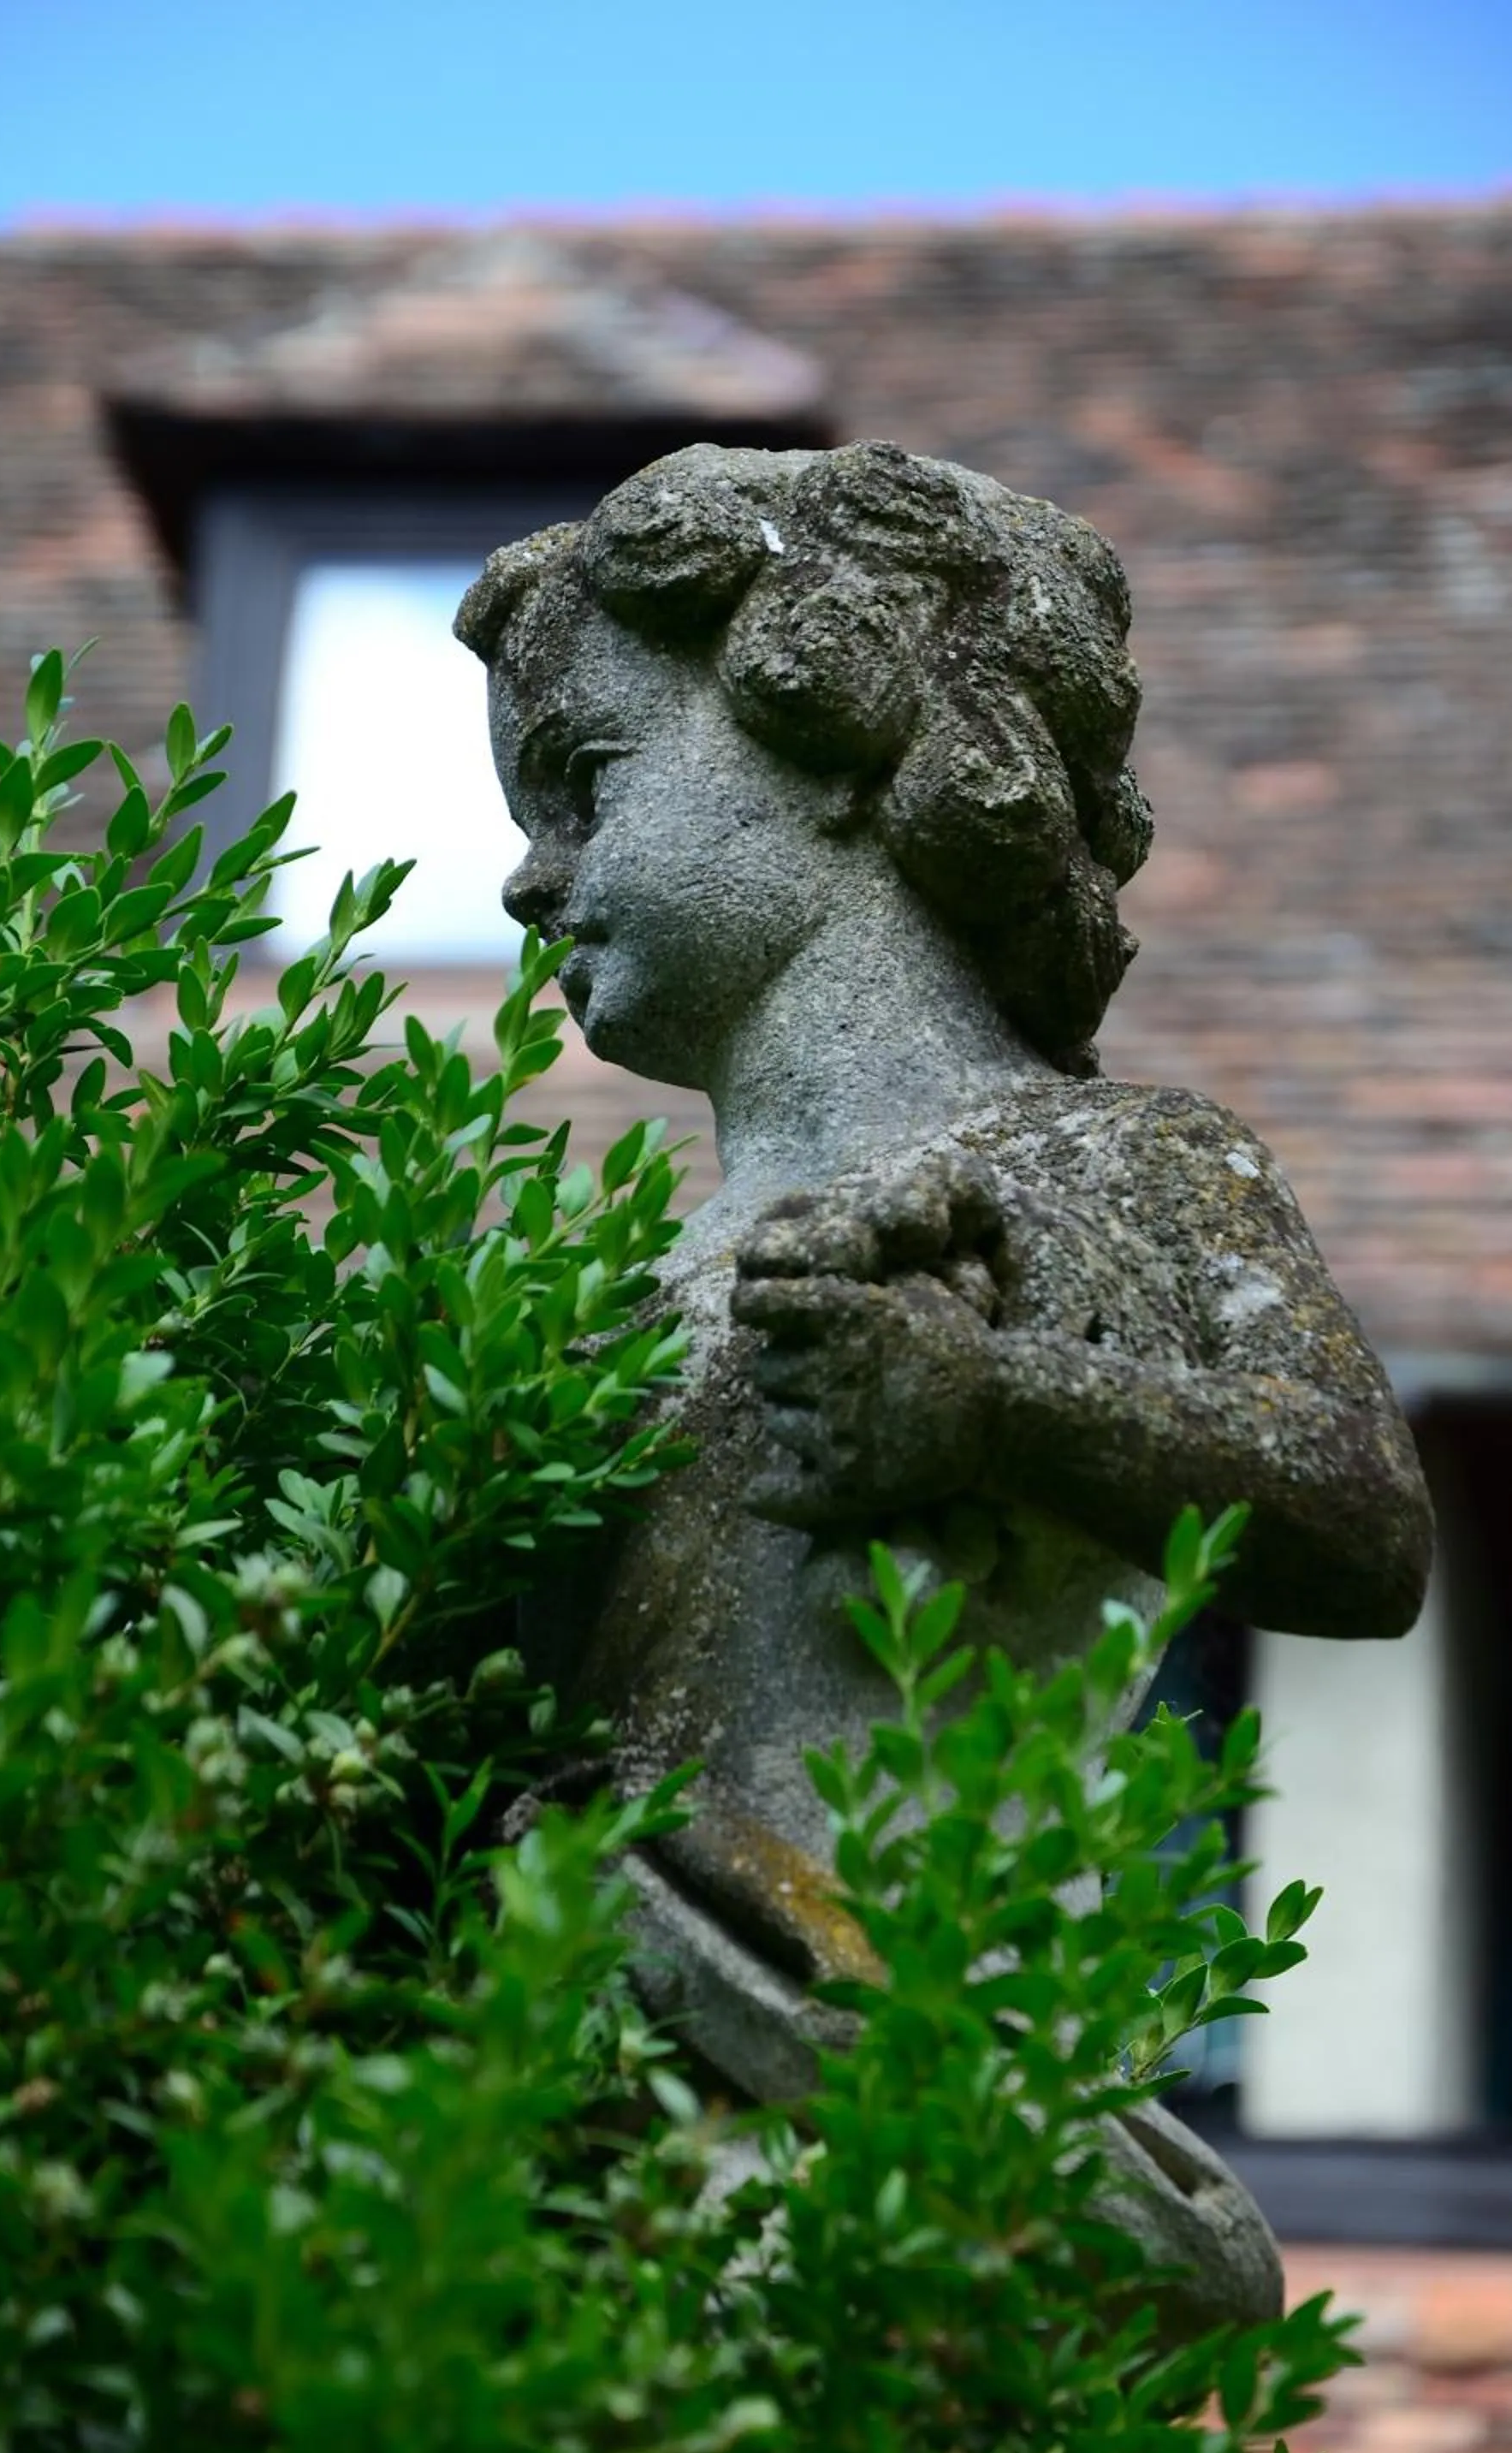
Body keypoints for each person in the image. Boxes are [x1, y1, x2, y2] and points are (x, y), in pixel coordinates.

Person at [454, 441, 1434, 2325]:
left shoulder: (1111, 1165)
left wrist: (989, 1406)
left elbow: (1358, 1519)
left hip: (830, 2104)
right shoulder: (601, 1285)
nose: (527, 876)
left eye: (586, 782)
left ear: (829, 745)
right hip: (543, 2096)